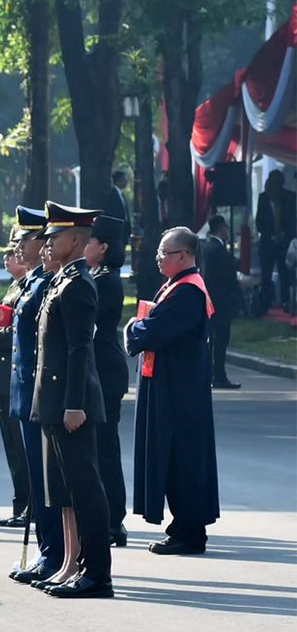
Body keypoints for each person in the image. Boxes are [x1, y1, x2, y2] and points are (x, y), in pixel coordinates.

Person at [31, 202, 112, 599]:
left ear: (76, 239)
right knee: (65, 490)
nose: (48, 242)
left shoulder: (79, 283)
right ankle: (76, 565)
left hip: (71, 403)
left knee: (86, 489)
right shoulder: (61, 280)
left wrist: (74, 403)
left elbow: (81, 350)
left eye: (55, 236)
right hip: (55, 400)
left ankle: (97, 574)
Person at [126, 227, 219, 555]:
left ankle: (190, 533)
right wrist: (140, 327)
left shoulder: (189, 291)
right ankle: (183, 527)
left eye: (165, 253)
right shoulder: (176, 286)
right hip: (173, 386)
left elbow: (152, 331)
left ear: (184, 256)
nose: (158, 258)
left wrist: (134, 328)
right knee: (175, 459)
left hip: (181, 393)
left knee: (183, 461)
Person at [7, 207, 64, 586]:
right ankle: (47, 549)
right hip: (22, 392)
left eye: (23, 239)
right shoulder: (31, 282)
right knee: (35, 477)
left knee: (46, 482)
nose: (18, 246)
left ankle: (52, 553)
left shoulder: (46, 284)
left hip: (37, 394)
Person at [84, 215, 130, 547]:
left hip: (106, 371)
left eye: (88, 241)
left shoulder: (105, 280)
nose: (84, 245)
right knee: (100, 446)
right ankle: (109, 518)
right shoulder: (97, 276)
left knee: (105, 447)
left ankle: (114, 520)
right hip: (100, 368)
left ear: (103, 248)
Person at [0, 230, 30, 528]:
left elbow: (15, 333)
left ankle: (28, 506)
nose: (7, 257)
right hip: (2, 374)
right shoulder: (15, 286)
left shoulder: (26, 287)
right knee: (12, 445)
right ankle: (21, 503)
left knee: (20, 445)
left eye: (13, 252)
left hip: (13, 372)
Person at [203, 215, 242, 389]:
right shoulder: (217, 250)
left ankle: (210, 373)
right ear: (221, 228)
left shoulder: (205, 247)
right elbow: (225, 276)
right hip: (220, 300)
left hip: (209, 300)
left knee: (211, 340)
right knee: (220, 340)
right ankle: (219, 375)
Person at [256, 169, 296, 313]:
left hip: (284, 244)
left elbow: (292, 220)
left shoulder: (290, 198)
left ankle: (286, 302)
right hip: (267, 243)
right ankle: (265, 303)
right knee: (266, 274)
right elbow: (259, 222)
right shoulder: (263, 198)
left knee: (284, 273)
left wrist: (285, 234)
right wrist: (271, 235)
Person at [103, 170, 132, 242]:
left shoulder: (122, 195)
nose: (126, 182)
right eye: (124, 179)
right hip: (117, 230)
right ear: (119, 181)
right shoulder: (112, 195)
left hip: (124, 229)